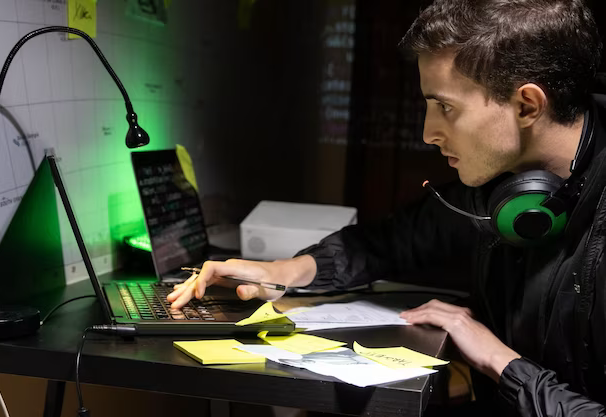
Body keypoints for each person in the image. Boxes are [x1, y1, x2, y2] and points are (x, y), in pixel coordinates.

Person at [168, 0, 606, 415]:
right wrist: (281, 273)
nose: (428, 132)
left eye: (444, 107)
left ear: (527, 104)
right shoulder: (501, 187)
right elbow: (387, 242)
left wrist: (496, 359)